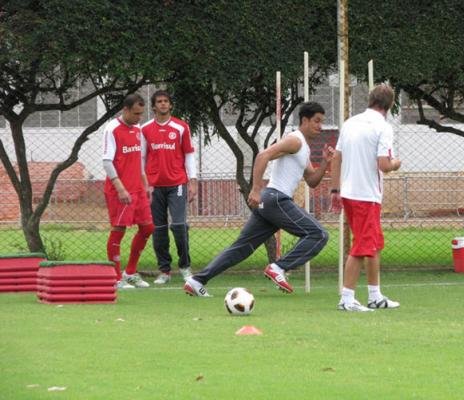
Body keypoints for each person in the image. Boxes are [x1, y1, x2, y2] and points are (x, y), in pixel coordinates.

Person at [183, 101, 333, 297]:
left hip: (270, 202)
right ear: (304, 120)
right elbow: (263, 155)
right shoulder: (295, 141)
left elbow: (312, 180)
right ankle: (278, 267)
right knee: (318, 234)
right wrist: (255, 189)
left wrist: (325, 163)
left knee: (241, 248)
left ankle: (196, 281)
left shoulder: (303, 147)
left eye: (322, 122)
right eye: (317, 121)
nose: (320, 126)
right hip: (276, 198)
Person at [330, 83, 402, 311]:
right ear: (390, 104)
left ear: (370, 100)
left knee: (374, 244)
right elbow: (384, 164)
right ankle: (347, 299)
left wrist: (335, 190)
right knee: (362, 247)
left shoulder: (350, 123)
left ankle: (375, 295)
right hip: (366, 196)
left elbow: (336, 158)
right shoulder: (383, 127)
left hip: (349, 193)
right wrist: (396, 164)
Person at [141, 90, 197, 284]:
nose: (163, 104)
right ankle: (164, 271)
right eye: (159, 101)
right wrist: (144, 183)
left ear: (171, 105)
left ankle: (185, 267)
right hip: (154, 186)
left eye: (166, 101)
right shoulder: (145, 129)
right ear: (154, 106)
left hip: (177, 184)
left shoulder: (181, 127)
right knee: (159, 229)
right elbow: (142, 157)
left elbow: (189, 154)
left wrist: (193, 181)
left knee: (179, 226)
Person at [103, 93, 154, 289]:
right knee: (119, 230)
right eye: (136, 114)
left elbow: (138, 159)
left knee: (148, 228)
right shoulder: (112, 129)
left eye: (141, 114)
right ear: (125, 110)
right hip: (121, 190)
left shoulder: (137, 129)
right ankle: (115, 278)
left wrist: (145, 184)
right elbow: (107, 162)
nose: (139, 118)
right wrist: (120, 189)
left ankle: (130, 272)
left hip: (138, 188)